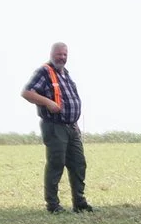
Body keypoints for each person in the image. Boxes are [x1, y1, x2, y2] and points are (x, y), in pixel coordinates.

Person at [19, 41, 90, 213]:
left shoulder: (66, 74)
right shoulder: (44, 72)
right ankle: (53, 205)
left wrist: (75, 123)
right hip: (55, 126)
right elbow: (27, 92)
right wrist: (48, 102)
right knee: (56, 164)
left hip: (71, 127)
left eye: (65, 54)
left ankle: (79, 203)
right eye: (59, 54)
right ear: (52, 54)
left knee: (78, 164)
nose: (62, 57)